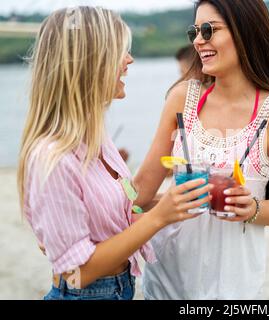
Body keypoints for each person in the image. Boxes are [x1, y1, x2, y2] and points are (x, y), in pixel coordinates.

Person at [17, 6, 211, 300]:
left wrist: (171, 203)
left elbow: (111, 219)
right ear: (90, 63)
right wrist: (159, 216)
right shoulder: (51, 158)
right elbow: (76, 272)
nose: (129, 60)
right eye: (121, 51)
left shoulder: (93, 140)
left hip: (120, 290)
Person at [133, 0, 269, 299]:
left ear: (244, 31)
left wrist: (252, 208)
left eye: (208, 30)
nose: (199, 41)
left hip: (234, 288)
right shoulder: (181, 98)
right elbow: (142, 189)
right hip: (165, 283)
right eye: (195, 32)